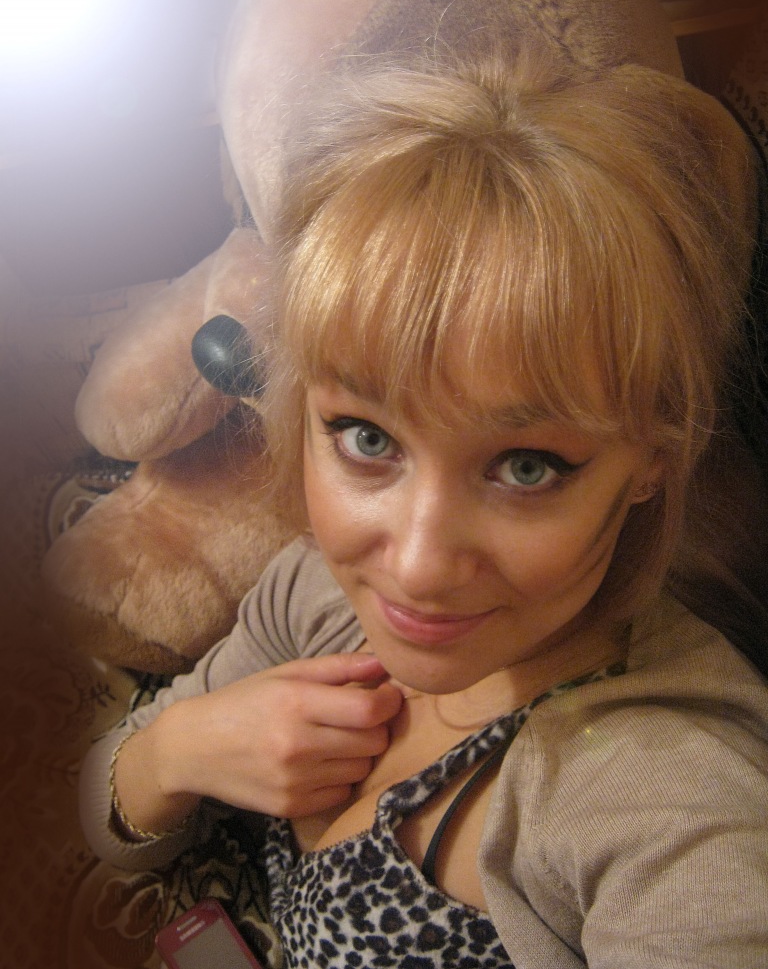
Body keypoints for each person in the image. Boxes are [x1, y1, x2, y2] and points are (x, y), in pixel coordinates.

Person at [79, 51, 768, 968]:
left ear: (652, 459)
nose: (415, 566)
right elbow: (103, 798)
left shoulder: (668, 801)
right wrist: (174, 750)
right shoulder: (315, 595)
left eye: (527, 466)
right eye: (367, 438)